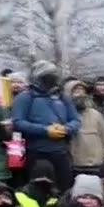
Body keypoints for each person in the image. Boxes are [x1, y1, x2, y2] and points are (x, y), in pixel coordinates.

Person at [11, 61, 79, 190]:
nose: (51, 78)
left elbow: (75, 120)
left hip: (61, 153)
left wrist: (67, 128)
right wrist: (45, 130)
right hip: (35, 153)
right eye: (47, 75)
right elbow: (18, 122)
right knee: (38, 190)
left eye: (53, 75)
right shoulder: (25, 97)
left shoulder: (62, 97)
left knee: (64, 188)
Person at [66, 80, 104, 175]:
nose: (80, 94)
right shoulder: (64, 115)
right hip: (75, 167)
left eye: (82, 91)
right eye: (76, 91)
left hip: (97, 166)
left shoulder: (96, 115)